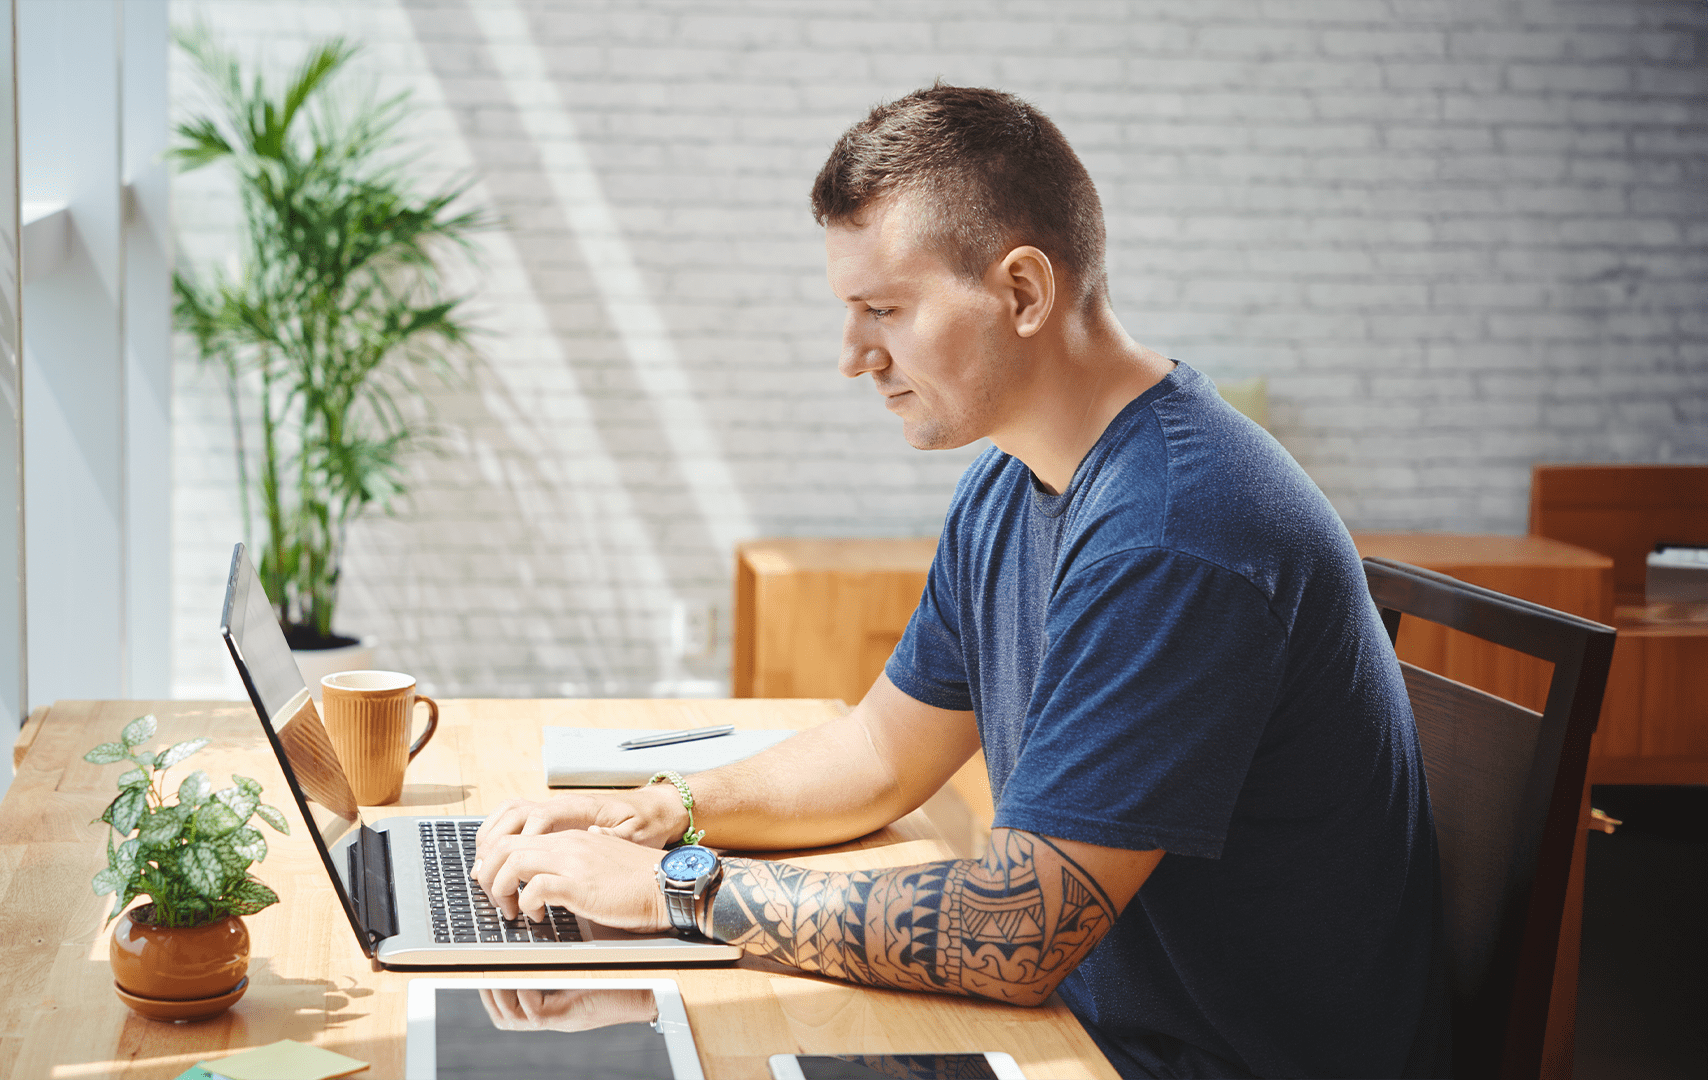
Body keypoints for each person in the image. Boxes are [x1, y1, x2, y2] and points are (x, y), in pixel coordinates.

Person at [472, 84, 1445, 1079]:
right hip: (1081, 1030)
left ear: (1023, 291)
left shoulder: (1174, 534)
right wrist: (655, 813)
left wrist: (675, 892)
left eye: (884, 310)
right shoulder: (1015, 480)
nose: (853, 356)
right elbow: (880, 754)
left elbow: (1014, 932)